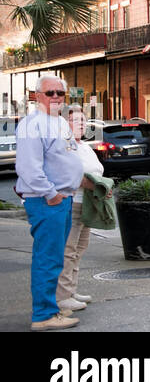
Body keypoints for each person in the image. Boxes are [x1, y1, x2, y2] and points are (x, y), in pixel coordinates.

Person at [15, 74, 87, 330]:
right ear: (37, 96)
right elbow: (29, 168)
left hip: (63, 199)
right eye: (50, 93)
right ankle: (44, 315)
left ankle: (51, 308)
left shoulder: (57, 122)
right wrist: (51, 193)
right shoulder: (32, 124)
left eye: (60, 93)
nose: (56, 97)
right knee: (48, 258)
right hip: (48, 202)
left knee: (56, 257)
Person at [57, 108, 105, 314]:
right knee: (67, 250)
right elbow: (68, 173)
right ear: (64, 123)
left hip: (87, 203)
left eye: (83, 121)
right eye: (75, 120)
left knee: (80, 248)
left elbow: (97, 171)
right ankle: (62, 297)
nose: (80, 124)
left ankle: (71, 290)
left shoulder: (85, 146)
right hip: (71, 202)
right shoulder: (64, 146)